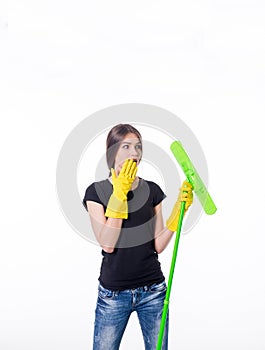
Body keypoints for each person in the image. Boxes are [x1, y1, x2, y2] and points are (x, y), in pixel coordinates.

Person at [83, 124, 193, 350]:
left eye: (138, 147)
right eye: (126, 146)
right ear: (112, 152)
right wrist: (119, 194)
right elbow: (107, 243)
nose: (134, 153)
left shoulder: (152, 190)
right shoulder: (96, 192)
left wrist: (178, 213)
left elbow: (159, 245)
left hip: (153, 291)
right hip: (113, 294)